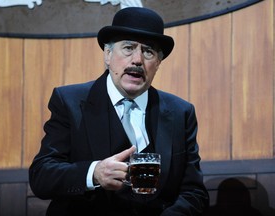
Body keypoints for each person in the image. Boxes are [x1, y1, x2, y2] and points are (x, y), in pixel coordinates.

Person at [29, 6, 209, 216]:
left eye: (148, 51)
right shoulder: (70, 101)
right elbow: (42, 176)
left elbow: (194, 193)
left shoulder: (180, 113)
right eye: (128, 48)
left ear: (158, 63)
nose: (137, 60)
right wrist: (94, 173)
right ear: (108, 54)